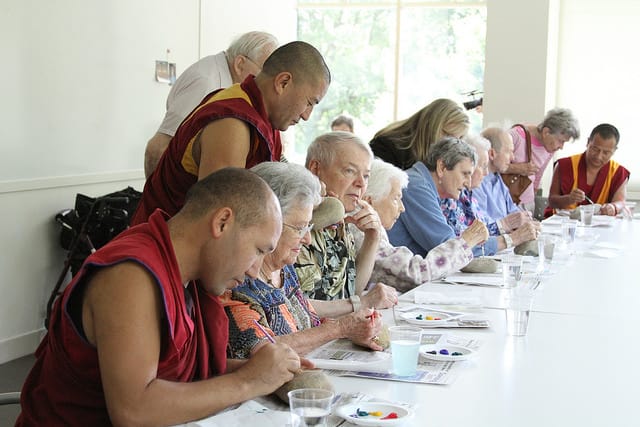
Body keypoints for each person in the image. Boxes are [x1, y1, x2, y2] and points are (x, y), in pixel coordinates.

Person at [17, 168, 307, 426]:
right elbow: (134, 411)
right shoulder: (130, 276)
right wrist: (248, 381)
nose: (256, 272)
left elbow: (183, 375)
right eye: (258, 250)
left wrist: (262, 371)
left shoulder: (188, 278)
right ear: (222, 222)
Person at [131, 41, 331, 225]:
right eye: (309, 102)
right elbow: (220, 217)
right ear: (283, 82)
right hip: (165, 249)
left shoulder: (265, 118)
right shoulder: (232, 123)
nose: (307, 115)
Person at [222, 162, 384, 359]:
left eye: (308, 227)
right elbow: (259, 351)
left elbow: (305, 321)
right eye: (299, 228)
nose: (307, 239)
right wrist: (340, 329)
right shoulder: (237, 277)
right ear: (267, 221)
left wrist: (353, 330)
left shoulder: (283, 266)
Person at [144, 31, 279, 179]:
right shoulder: (206, 82)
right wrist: (160, 199)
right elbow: (157, 148)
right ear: (240, 64)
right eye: (265, 72)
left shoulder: (231, 86)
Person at [295, 131, 398, 309]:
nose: (361, 183)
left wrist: (372, 238)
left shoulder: (343, 220)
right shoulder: (295, 221)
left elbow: (351, 291)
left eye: (366, 176)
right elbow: (292, 308)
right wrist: (360, 303)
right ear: (315, 170)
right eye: (349, 171)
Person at [351, 158, 485, 292]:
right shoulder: (361, 227)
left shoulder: (365, 223)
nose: (402, 208)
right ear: (370, 200)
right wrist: (466, 241)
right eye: (396, 198)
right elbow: (417, 274)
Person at [387, 137, 489, 257]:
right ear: (442, 167)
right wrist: (506, 240)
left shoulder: (431, 187)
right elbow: (448, 248)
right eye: (464, 174)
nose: (468, 183)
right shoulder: (416, 186)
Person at [439, 134, 538, 253]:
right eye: (483, 166)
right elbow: (463, 245)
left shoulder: (466, 193)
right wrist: (510, 235)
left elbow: (482, 229)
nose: (486, 173)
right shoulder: (451, 195)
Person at [504, 108, 580, 212]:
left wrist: (531, 200)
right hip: (505, 202)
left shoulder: (549, 147)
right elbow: (491, 165)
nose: (561, 147)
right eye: (560, 141)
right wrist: (517, 168)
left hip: (527, 204)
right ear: (546, 132)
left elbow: (538, 175)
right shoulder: (515, 135)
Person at [546, 123, 630, 216]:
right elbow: (552, 201)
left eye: (606, 152)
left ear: (614, 150)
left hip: (600, 225)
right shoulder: (565, 165)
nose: (598, 156)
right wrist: (569, 199)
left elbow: (620, 202)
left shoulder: (618, 172)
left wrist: (613, 207)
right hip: (565, 223)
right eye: (595, 149)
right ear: (588, 142)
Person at [369, 98, 470, 170]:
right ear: (431, 126)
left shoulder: (440, 160)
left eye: (458, 140)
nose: (453, 146)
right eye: (448, 135)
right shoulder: (387, 146)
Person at [473, 126, 532, 233]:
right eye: (509, 152)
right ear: (492, 154)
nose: (513, 158)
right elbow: (481, 225)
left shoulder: (497, 177)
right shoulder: (476, 183)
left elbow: (513, 211)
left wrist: (524, 218)